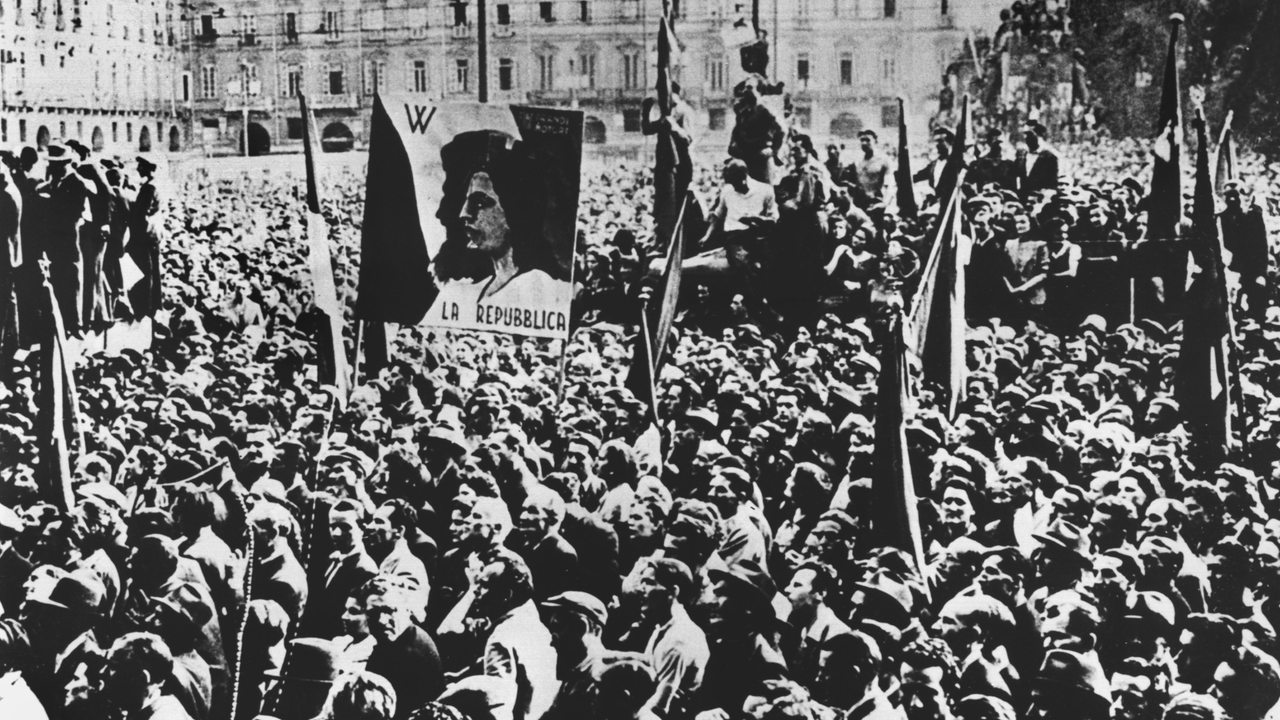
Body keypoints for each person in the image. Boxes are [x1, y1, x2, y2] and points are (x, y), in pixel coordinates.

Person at [426, 130, 572, 331]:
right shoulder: (468, 290)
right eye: (465, 202)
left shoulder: (544, 289)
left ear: (515, 212)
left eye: (480, 203)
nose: (464, 214)